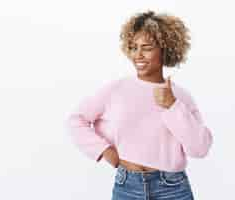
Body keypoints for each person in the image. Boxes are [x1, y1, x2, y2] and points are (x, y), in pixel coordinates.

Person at [65, 10, 213, 200]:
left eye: (147, 47)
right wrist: (104, 151)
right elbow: (76, 120)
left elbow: (199, 148)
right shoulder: (116, 89)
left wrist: (172, 106)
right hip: (127, 187)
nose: (138, 55)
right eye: (134, 47)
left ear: (165, 48)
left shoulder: (180, 96)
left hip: (173, 189)